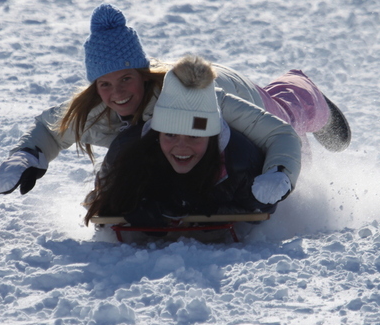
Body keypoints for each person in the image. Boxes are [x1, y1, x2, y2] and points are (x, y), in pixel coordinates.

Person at [0, 3, 339, 197]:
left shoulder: (191, 99)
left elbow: (276, 134)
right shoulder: (97, 108)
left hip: (236, 92)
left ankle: (301, 88)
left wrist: (280, 172)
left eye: (127, 79)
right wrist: (27, 156)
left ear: (142, 76)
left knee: (289, 119)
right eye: (106, 84)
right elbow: (51, 129)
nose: (118, 93)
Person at [83, 56, 295, 226]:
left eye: (194, 136)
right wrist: (132, 205)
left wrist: (199, 206)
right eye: (170, 135)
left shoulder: (240, 164)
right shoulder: (125, 151)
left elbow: (262, 206)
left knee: (290, 106)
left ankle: (300, 85)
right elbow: (101, 203)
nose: (181, 147)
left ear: (211, 138)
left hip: (248, 94)